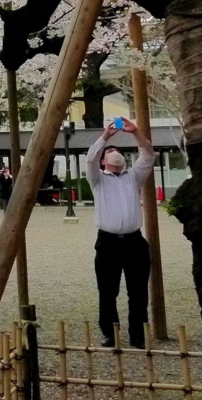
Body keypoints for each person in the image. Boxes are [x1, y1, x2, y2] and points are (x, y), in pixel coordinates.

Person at [86, 118, 156, 349]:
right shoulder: (97, 180)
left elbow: (148, 155)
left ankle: (138, 334)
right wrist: (106, 136)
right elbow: (90, 158)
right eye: (110, 152)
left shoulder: (133, 177)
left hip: (134, 241)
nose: (115, 154)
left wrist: (135, 133)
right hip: (107, 242)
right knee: (107, 291)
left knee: (138, 292)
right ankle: (110, 333)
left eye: (118, 151)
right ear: (104, 160)